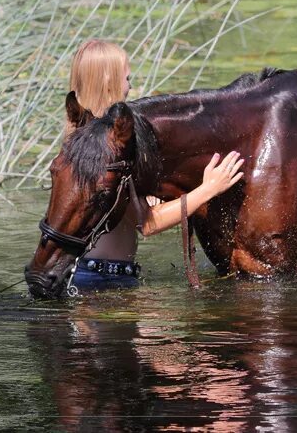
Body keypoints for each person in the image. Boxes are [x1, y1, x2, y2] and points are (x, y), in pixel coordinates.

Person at [65, 39, 244, 291]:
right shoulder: (106, 150)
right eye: (127, 78)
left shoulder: (79, 141)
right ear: (108, 80)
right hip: (102, 280)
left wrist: (142, 196)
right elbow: (147, 225)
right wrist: (209, 189)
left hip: (94, 273)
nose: (131, 86)